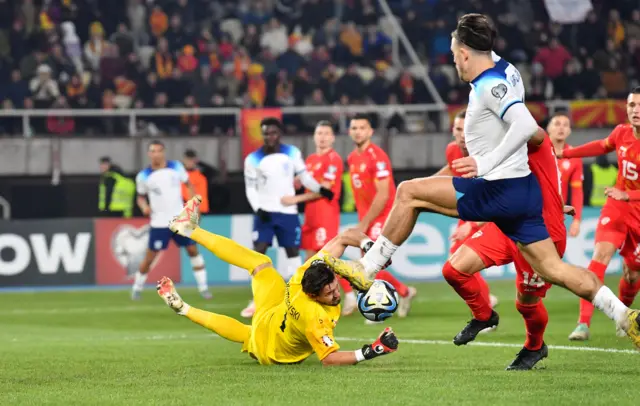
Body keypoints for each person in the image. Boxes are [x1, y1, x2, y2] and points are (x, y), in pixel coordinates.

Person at [318, 13, 640, 349]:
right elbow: (490, 55)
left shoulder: (490, 86)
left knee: (409, 192)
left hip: (499, 189)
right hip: (524, 193)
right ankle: (622, 314)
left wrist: (483, 161)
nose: (454, 60)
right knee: (553, 268)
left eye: (455, 53)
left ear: (466, 54)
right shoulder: (506, 70)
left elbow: (526, 126)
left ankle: (367, 267)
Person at [159, 195, 399, 366]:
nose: (336, 295)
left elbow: (345, 236)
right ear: (313, 296)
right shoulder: (314, 317)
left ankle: (190, 229)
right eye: (329, 295)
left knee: (260, 263)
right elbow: (330, 359)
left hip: (276, 310)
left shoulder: (303, 274)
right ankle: (184, 309)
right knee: (248, 334)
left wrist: (370, 247)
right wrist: (372, 350)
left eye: (335, 287)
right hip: (271, 348)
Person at [446, 127, 572, 370]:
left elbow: (533, 136)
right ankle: (484, 316)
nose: (464, 134)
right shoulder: (494, 146)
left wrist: (556, 206)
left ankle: (534, 347)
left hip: (539, 232)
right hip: (506, 225)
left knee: (526, 304)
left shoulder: (528, 135)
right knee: (454, 270)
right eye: (459, 129)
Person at [559, 87, 640, 341]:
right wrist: (568, 152)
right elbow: (601, 146)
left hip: (636, 208)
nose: (635, 111)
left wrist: (630, 195)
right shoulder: (621, 132)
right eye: (631, 105)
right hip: (617, 207)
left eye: (639, 105)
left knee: (632, 273)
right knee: (599, 258)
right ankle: (583, 324)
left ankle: (624, 315)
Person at [241, 117, 335, 318]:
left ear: (279, 133)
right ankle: (257, 300)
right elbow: (250, 188)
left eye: (273, 132)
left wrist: (319, 188)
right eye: (266, 133)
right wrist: (258, 208)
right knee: (259, 255)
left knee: (293, 253)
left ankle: (296, 298)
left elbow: (305, 176)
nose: (270, 136)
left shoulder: (292, 153)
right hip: (265, 213)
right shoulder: (252, 159)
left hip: (287, 213)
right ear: (262, 134)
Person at [346, 113, 417, 321]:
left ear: (370, 131)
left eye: (361, 127)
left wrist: (365, 223)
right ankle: (404, 292)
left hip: (384, 217)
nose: (357, 131)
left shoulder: (377, 157)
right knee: (366, 265)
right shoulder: (352, 158)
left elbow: (384, 194)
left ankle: (376, 308)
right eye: (354, 128)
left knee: (370, 263)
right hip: (367, 217)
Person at [280, 121, 354, 314]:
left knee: (327, 259)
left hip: (325, 214)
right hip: (311, 216)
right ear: (314, 136)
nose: (322, 137)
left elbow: (325, 190)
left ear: (332, 137)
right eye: (319, 133)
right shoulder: (311, 159)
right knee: (310, 259)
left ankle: (350, 295)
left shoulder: (333, 159)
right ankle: (311, 301)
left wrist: (294, 199)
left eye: (326, 133)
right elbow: (303, 182)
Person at [435, 109, 498, 310]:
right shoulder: (452, 150)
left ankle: (486, 308)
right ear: (452, 130)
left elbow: (497, 199)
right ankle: (486, 306)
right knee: (459, 263)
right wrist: (420, 186)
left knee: (461, 263)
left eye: (467, 129)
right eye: (458, 129)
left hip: (496, 213)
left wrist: (470, 225)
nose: (462, 134)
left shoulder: (487, 155)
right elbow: (450, 170)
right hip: (473, 211)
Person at [132, 140, 211, 300]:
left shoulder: (176, 167)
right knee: (149, 258)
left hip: (179, 221)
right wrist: (144, 207)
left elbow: (188, 185)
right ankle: (137, 288)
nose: (156, 154)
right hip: (159, 223)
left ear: (164, 152)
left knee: (192, 250)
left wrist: (192, 205)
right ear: (149, 154)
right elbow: (140, 197)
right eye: (153, 151)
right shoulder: (143, 176)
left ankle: (204, 288)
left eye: (159, 150)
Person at [548, 111, 583, 237]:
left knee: (554, 254)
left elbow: (577, 192)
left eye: (565, 125)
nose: (561, 128)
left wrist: (577, 220)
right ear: (548, 128)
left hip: (557, 215)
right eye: (557, 124)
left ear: (569, 131)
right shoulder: (536, 152)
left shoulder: (574, 157)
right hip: (534, 213)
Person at [182, 149, 209, 214]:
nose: (190, 162)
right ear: (184, 160)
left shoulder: (201, 178)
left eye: (191, 160)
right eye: (188, 159)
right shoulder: (178, 175)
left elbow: (201, 199)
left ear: (195, 161)